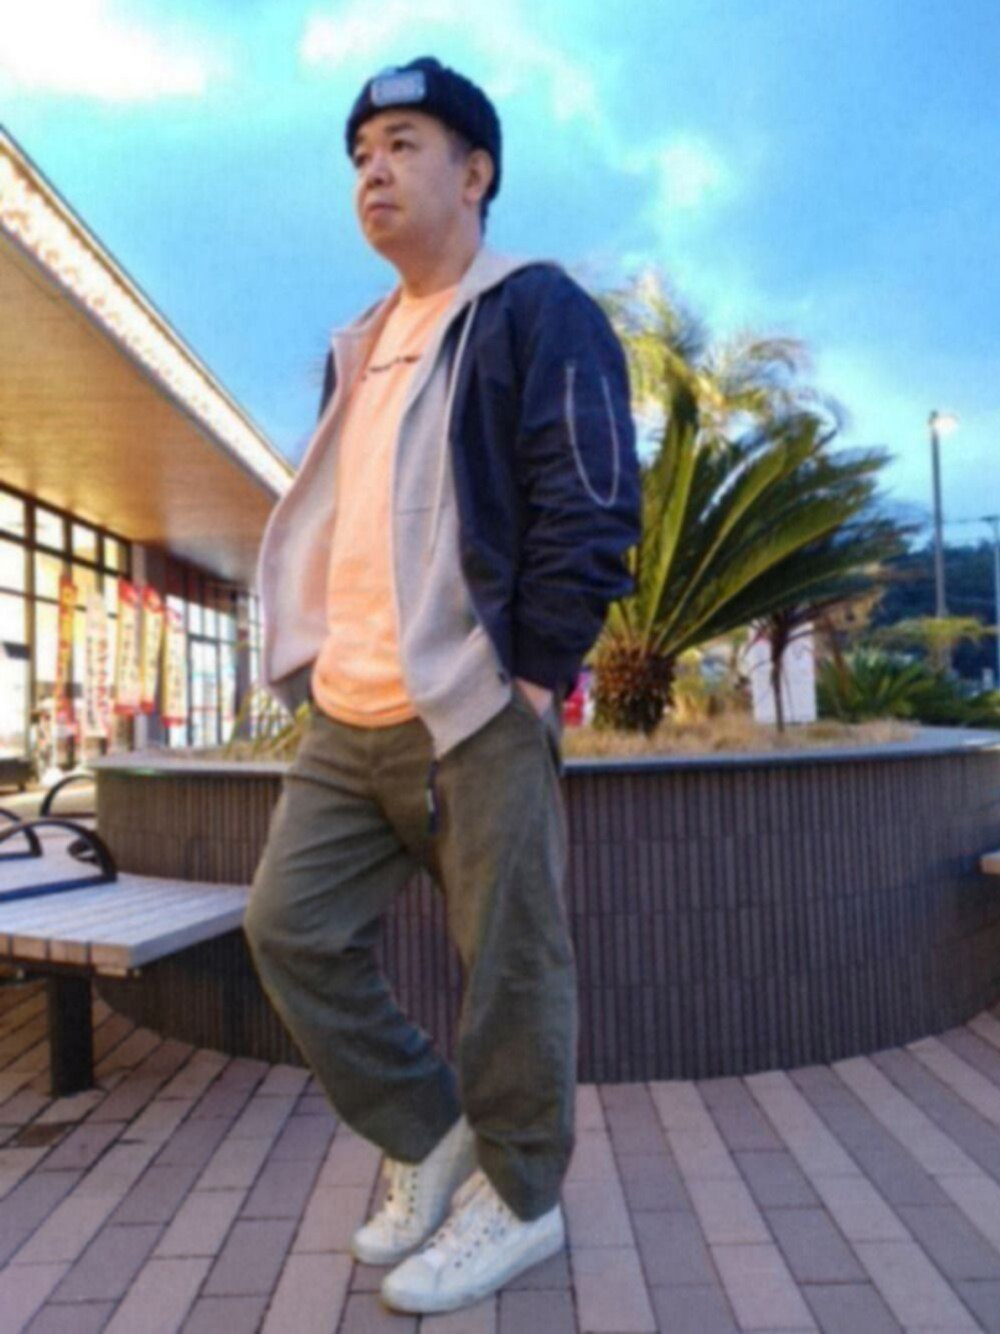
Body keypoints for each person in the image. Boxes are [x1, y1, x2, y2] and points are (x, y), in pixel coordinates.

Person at [244, 56, 640, 1315]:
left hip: (473, 710)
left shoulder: (533, 310)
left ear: (474, 173)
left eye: (403, 144)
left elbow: (591, 498)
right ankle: (427, 1129)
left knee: (510, 967)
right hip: (348, 712)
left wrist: (532, 676)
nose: (373, 170)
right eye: (360, 154)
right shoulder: (358, 343)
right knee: (288, 928)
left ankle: (520, 1196)